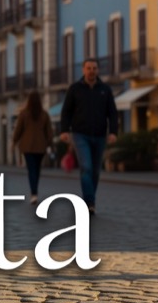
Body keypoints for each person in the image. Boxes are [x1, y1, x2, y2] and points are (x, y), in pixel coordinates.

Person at [60, 58, 118, 214]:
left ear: (98, 70)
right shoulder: (75, 89)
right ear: (83, 70)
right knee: (86, 167)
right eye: (88, 68)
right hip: (80, 135)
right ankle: (90, 202)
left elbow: (112, 112)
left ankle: (89, 199)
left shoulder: (105, 90)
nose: (91, 71)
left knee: (95, 171)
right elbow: (66, 111)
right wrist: (64, 130)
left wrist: (113, 132)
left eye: (94, 68)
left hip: (100, 135)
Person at [13, 91, 54, 204]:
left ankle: (34, 193)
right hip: (41, 147)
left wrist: (14, 141)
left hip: (27, 147)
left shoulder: (24, 114)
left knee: (31, 170)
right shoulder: (44, 114)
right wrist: (50, 144)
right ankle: (35, 190)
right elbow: (49, 132)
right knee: (37, 169)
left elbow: (18, 130)